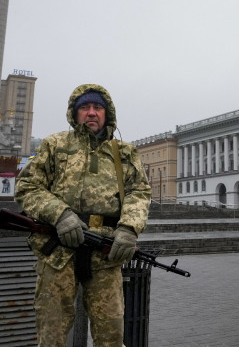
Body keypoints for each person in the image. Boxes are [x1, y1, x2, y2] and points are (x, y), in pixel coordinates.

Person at [15, 84, 152, 347]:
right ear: (74, 113)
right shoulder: (54, 145)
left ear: (107, 113)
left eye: (97, 107)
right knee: (51, 334)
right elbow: (27, 187)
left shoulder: (124, 152)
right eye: (84, 108)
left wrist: (129, 228)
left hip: (105, 253)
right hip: (58, 252)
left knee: (111, 335)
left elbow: (140, 192)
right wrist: (60, 214)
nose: (91, 113)